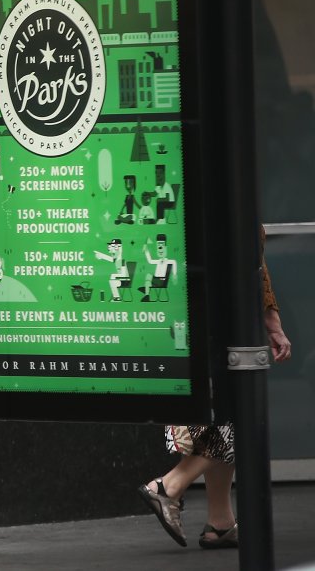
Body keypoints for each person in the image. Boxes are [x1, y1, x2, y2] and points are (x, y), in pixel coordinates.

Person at [137, 226, 292, 549]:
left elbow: (253, 261)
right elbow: (249, 263)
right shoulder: (222, 187)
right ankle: (168, 486)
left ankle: (220, 522)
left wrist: (271, 317)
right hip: (218, 316)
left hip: (199, 314)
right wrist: (270, 319)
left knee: (222, 417)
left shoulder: (217, 184)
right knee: (237, 414)